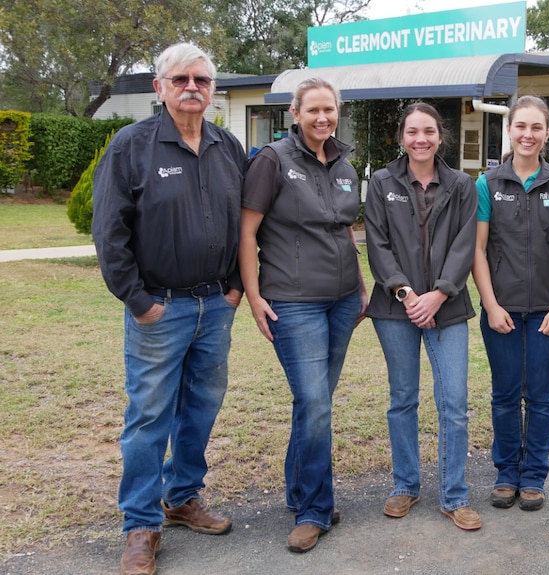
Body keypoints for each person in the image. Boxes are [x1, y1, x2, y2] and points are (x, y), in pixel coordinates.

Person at [91, 43, 246, 575]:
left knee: (201, 409)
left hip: (216, 306)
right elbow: (109, 232)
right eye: (180, 79)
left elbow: (243, 225)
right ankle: (139, 524)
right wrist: (138, 301)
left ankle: (181, 497)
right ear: (159, 88)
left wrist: (233, 288)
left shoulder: (229, 147)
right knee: (149, 416)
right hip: (159, 308)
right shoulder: (130, 147)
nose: (192, 88)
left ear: (212, 89)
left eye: (201, 80)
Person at [238, 77, 367, 554]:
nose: (322, 118)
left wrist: (359, 287)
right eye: (312, 110)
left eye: (329, 110)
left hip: (342, 303)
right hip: (293, 303)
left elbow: (345, 232)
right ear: (294, 113)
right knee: (315, 404)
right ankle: (315, 509)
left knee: (313, 403)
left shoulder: (345, 166)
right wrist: (253, 297)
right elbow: (246, 232)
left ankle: (298, 491)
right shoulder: (272, 160)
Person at [364, 103, 482, 531]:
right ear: (402, 137)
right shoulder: (381, 183)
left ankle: (454, 495)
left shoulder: (463, 184)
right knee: (403, 400)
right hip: (395, 308)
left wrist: (438, 295)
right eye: (412, 131)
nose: (421, 139)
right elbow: (376, 242)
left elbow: (465, 244)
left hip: (447, 308)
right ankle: (405, 486)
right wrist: (407, 293)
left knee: (454, 403)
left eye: (428, 131)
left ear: (440, 136)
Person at [472, 95, 549, 512]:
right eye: (521, 126)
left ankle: (533, 475)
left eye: (536, 127)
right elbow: (478, 251)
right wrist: (490, 304)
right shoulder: (487, 183)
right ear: (510, 129)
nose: (528, 135)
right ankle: (505, 474)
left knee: (540, 396)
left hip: (546, 312)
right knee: (503, 394)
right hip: (500, 310)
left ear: (547, 133)